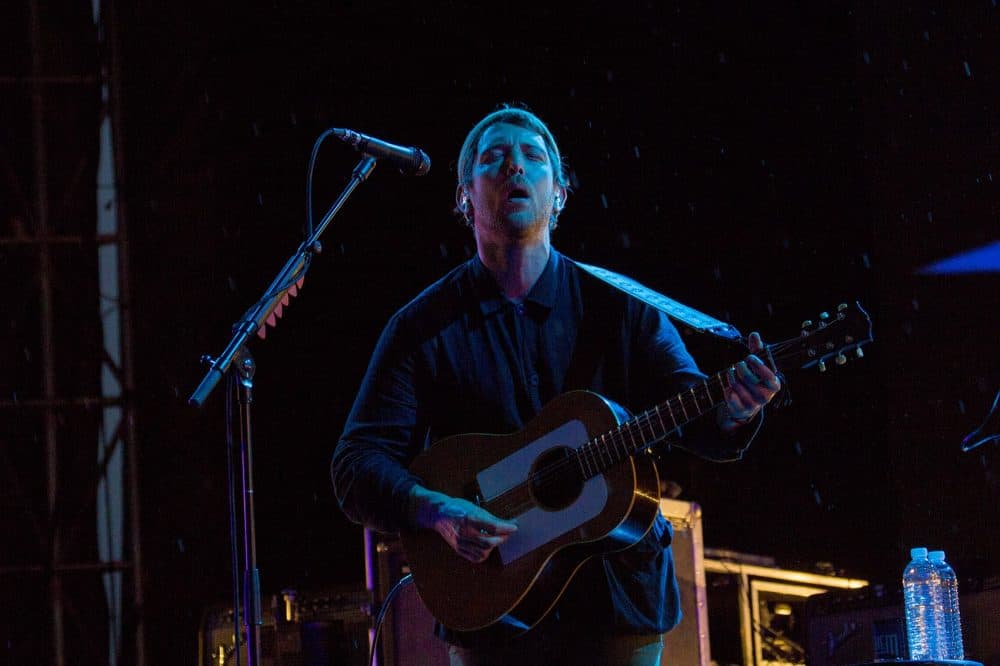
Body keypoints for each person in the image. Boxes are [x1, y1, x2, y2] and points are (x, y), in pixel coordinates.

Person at [331, 103, 781, 666]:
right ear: (465, 196)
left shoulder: (622, 309)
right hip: (489, 613)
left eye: (533, 157)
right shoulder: (422, 327)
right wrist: (436, 512)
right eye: (493, 157)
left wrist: (735, 408)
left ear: (560, 193)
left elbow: (693, 411)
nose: (514, 167)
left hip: (617, 608)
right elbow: (356, 465)